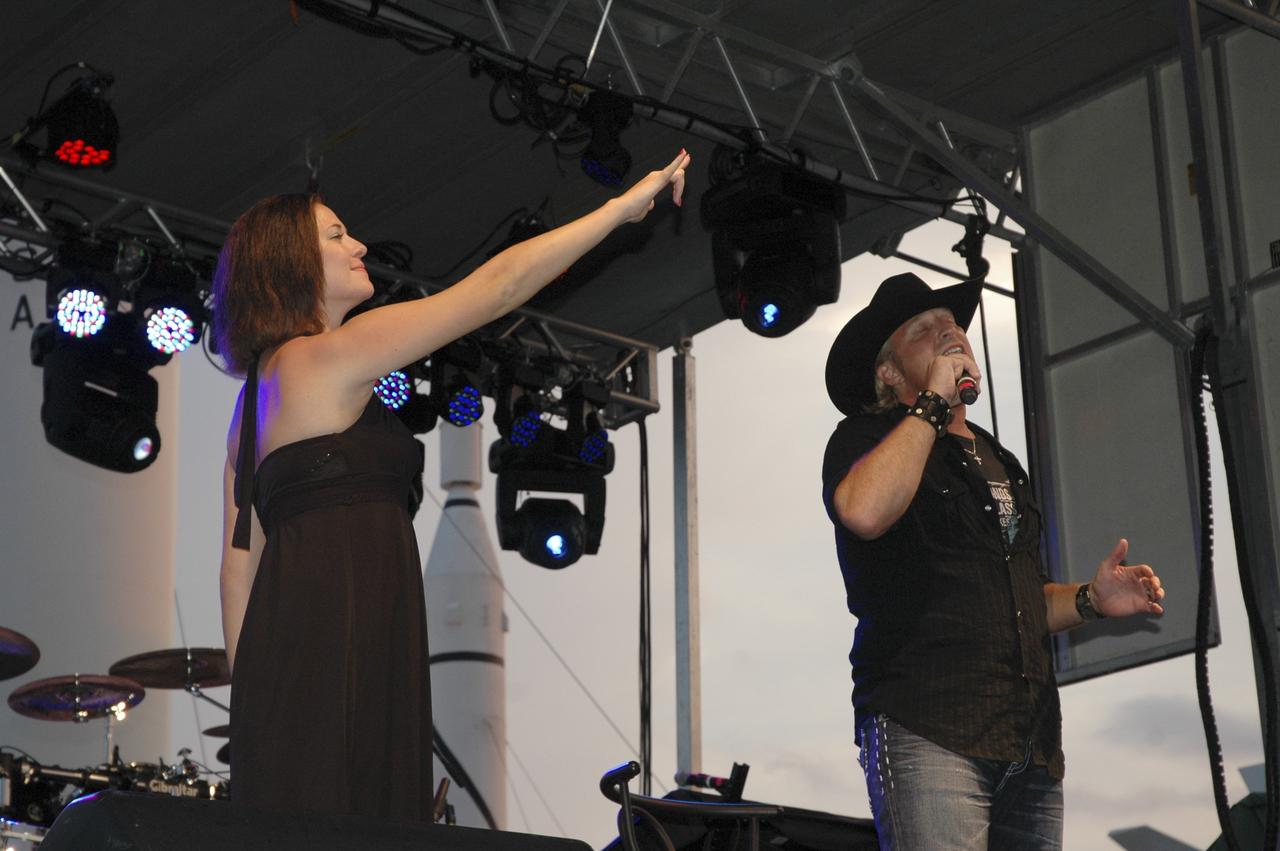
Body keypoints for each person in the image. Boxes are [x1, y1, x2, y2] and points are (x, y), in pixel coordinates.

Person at [214, 150, 691, 820]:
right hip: (343, 643)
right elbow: (495, 289)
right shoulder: (328, 357)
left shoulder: (253, 401)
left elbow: (239, 568)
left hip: (298, 663)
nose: (360, 245)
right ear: (291, 263)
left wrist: (255, 713)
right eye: (335, 236)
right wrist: (616, 212)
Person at [820, 272, 1166, 850]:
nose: (949, 332)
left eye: (952, 324)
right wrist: (932, 405)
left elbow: (1023, 598)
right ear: (888, 372)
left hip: (1028, 743)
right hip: (929, 727)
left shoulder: (1001, 462)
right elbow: (863, 511)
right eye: (925, 331)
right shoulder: (863, 438)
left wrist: (1091, 599)